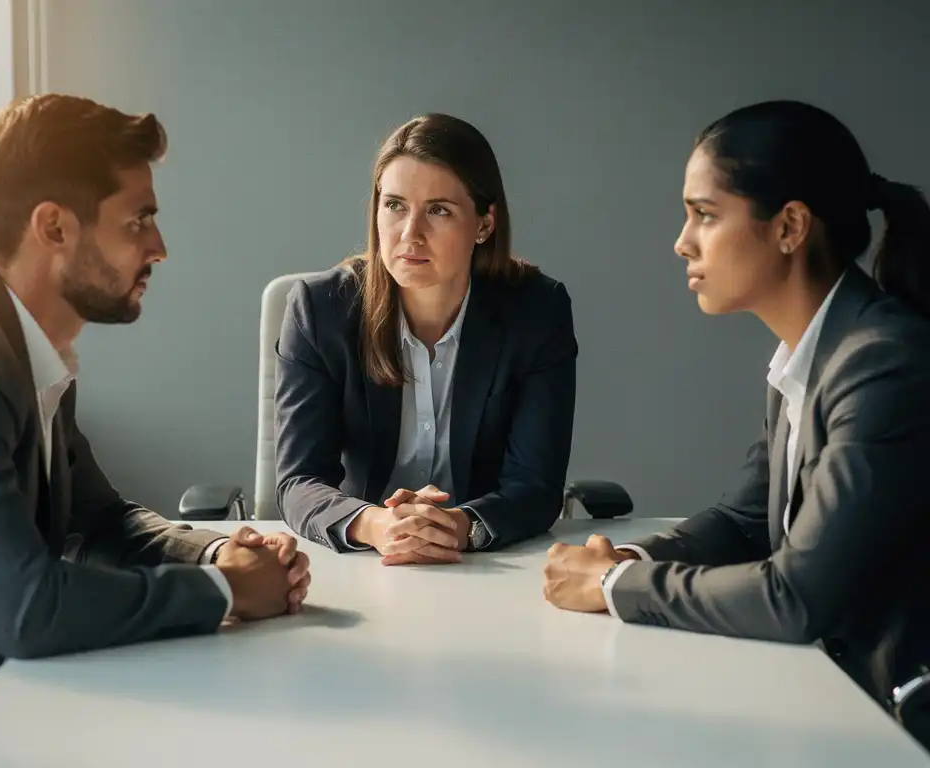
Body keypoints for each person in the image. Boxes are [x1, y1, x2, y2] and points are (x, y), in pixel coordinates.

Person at [0, 94, 311, 733]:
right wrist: (227, 593)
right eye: (137, 220)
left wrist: (218, 555)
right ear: (55, 227)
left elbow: (101, 519)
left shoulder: (24, 348)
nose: (159, 246)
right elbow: (25, 609)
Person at [543, 99, 930, 712]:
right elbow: (744, 520)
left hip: (893, 720)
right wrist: (632, 556)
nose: (681, 243)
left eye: (705, 215)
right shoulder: (809, 351)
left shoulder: (881, 361)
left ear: (789, 227)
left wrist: (615, 585)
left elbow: (795, 598)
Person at [275, 113, 578, 564]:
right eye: (394, 205)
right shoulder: (320, 310)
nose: (410, 234)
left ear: (483, 224)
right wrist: (376, 524)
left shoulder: (536, 311)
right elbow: (299, 481)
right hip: (366, 558)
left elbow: (535, 484)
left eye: (438, 210)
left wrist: (462, 525)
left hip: (486, 563)